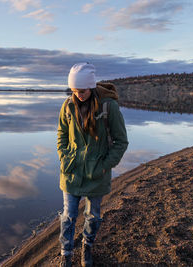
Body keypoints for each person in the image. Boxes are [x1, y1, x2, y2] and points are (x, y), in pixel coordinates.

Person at [57, 63, 128, 267]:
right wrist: (64, 156)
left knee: (93, 216)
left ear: (91, 87)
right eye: (74, 91)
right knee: (68, 216)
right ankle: (66, 252)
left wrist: (105, 166)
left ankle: (87, 246)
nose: (78, 95)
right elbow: (61, 134)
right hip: (71, 171)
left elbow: (121, 141)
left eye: (83, 91)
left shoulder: (108, 107)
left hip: (97, 172)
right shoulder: (67, 106)